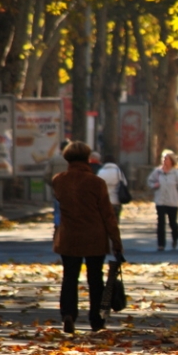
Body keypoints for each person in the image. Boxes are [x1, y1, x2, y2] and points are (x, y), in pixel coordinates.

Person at [51, 141, 123, 334]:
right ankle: (96, 320)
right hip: (94, 236)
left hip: (69, 236)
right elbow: (108, 214)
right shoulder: (96, 183)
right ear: (88, 158)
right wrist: (116, 241)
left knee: (69, 277)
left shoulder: (58, 180)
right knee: (95, 279)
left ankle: (68, 314)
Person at [147, 150, 178, 251]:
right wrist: (154, 185)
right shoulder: (157, 172)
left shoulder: (177, 174)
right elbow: (149, 181)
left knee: (172, 222)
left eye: (167, 158)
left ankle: (175, 238)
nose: (164, 160)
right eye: (163, 158)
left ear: (172, 160)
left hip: (172, 201)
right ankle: (161, 244)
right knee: (161, 223)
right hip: (160, 201)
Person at [96, 155, 127, 222]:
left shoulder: (101, 172)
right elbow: (125, 183)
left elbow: (96, 186)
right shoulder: (119, 172)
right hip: (116, 201)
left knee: (104, 221)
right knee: (115, 221)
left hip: (104, 201)